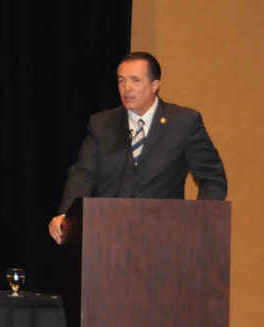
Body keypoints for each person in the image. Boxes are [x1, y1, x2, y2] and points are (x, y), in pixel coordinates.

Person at [48, 52, 227, 244]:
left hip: (166, 238)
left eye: (135, 80)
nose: (126, 88)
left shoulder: (183, 123)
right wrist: (67, 213)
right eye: (121, 80)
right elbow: (83, 174)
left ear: (154, 85)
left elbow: (212, 179)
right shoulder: (102, 124)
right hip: (108, 237)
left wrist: (199, 220)